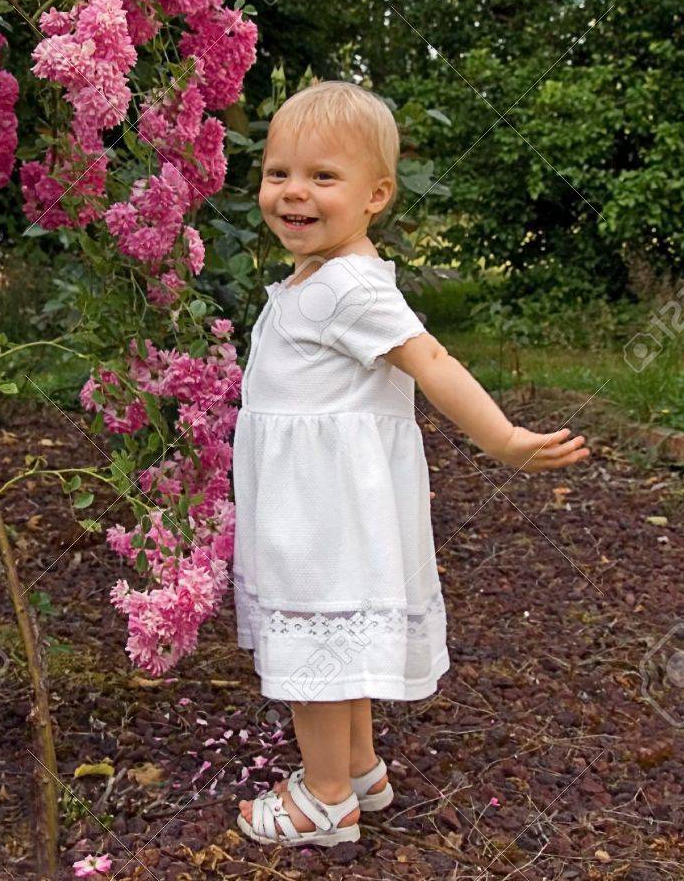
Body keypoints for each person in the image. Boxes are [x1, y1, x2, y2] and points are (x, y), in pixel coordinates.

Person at [233, 80, 590, 847]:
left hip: (321, 511)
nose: (294, 193)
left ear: (376, 195)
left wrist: (500, 437)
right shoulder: (318, 278)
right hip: (314, 499)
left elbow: (432, 359)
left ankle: (325, 800)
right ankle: (359, 767)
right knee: (334, 636)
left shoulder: (350, 287)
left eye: (323, 177)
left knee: (315, 647)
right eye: (278, 173)